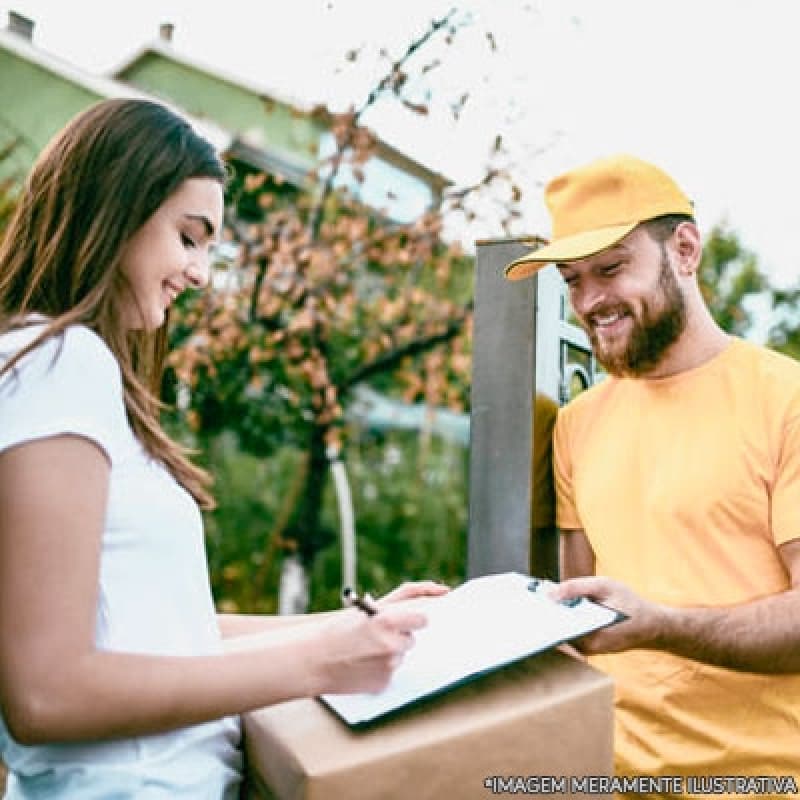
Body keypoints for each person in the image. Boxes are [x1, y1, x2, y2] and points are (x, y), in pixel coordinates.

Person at [0, 97, 446, 799]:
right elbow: (46, 693)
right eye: (188, 236)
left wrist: (353, 624)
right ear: (116, 209)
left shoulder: (60, 370)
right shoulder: (60, 363)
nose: (202, 273)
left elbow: (163, 627)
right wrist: (319, 664)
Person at [505, 154, 800, 786]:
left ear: (685, 249)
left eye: (611, 269)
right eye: (572, 280)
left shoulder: (786, 400)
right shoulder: (578, 424)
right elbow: (578, 620)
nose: (590, 301)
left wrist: (665, 627)